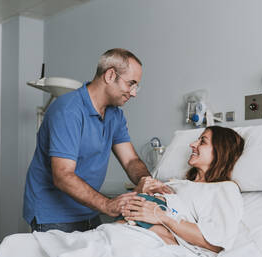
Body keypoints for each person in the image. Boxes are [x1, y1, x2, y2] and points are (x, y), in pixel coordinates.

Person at [23, 48, 169, 233]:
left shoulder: (115, 115)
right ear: (110, 75)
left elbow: (131, 160)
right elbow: (63, 176)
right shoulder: (68, 110)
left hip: (88, 211)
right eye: (131, 84)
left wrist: (147, 182)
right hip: (53, 214)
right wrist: (108, 205)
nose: (134, 93)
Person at [121, 125, 245, 257]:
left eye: (202, 141)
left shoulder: (224, 189)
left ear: (220, 151)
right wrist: (141, 188)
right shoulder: (176, 183)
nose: (192, 144)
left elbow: (215, 243)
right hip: (125, 226)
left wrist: (162, 216)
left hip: (149, 240)